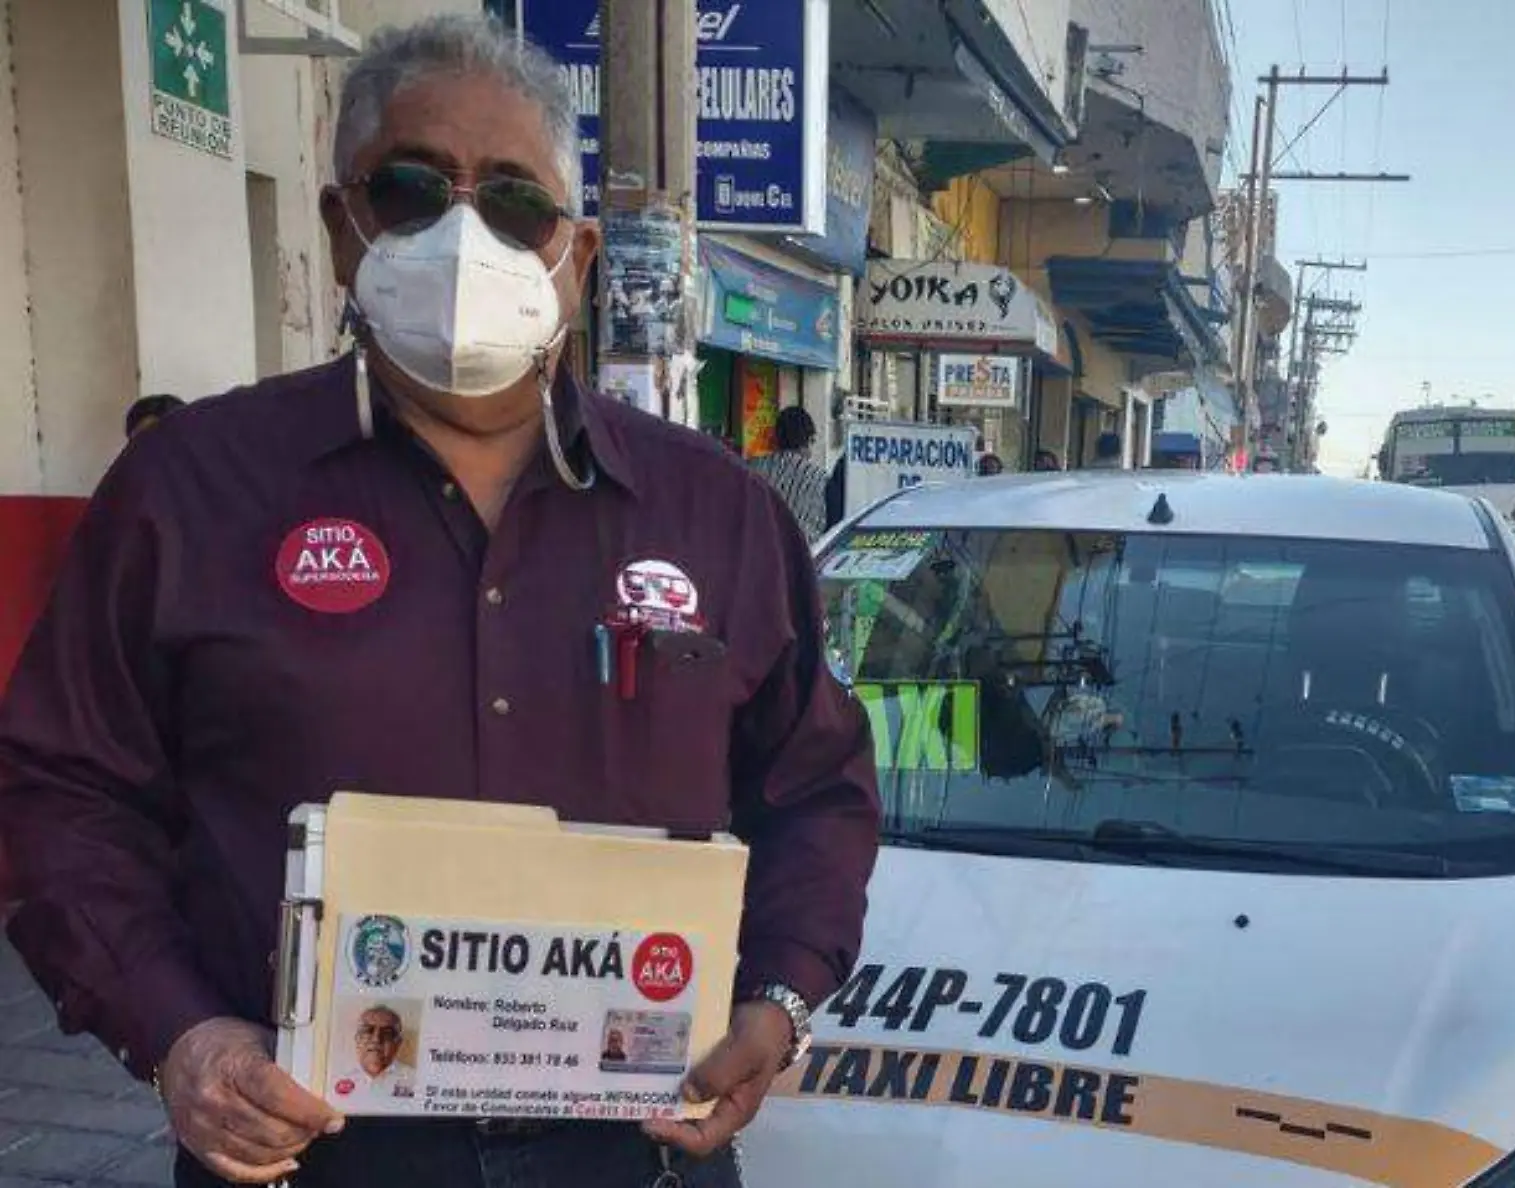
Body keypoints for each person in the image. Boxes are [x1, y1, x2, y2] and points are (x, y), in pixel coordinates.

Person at [0, 15, 877, 1188]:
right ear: (340, 223)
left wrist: (776, 997)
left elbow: (813, 787)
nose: (466, 235)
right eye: (414, 189)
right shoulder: (189, 493)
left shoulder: (718, 517)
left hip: (634, 1156)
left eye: (516, 201)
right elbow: (62, 788)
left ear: (578, 252)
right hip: (305, 1158)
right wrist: (175, 1032)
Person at [749, 405, 828, 542]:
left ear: (776, 438)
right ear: (808, 440)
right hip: (802, 558)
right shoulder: (822, 480)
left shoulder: (751, 468)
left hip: (755, 553)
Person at [340, 1006, 415, 1103]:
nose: (376, 1039)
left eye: (387, 1033)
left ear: (398, 1043)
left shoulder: (414, 1080)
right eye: (368, 1031)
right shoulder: (336, 1078)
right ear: (357, 1038)